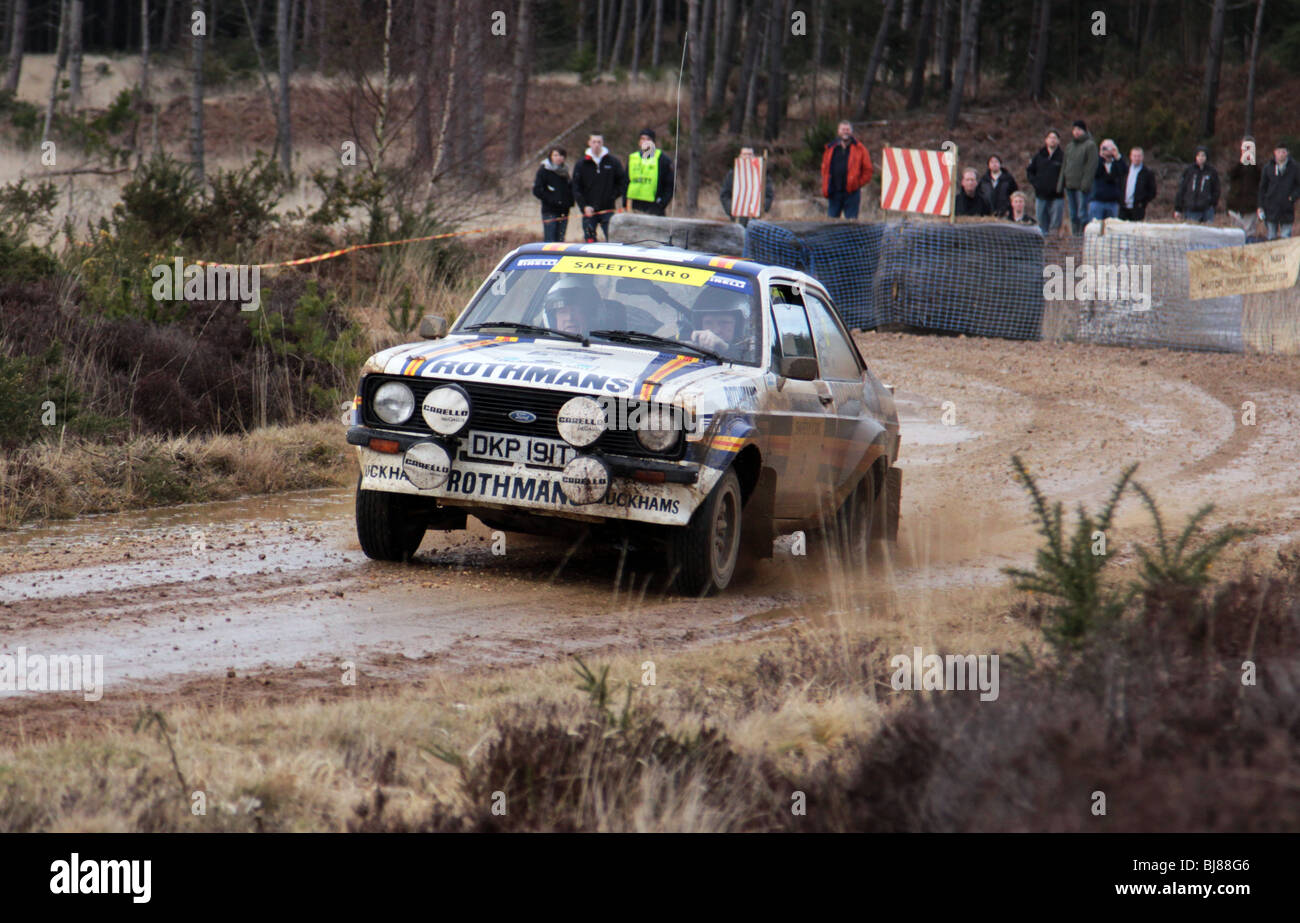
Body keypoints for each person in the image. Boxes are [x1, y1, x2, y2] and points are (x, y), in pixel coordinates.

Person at [572, 131, 627, 242]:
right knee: (590, 240)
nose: (596, 144)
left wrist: (612, 196)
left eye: (599, 142)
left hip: (608, 210)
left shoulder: (613, 162)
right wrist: (584, 206)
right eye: (594, 142)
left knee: (612, 239)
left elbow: (622, 182)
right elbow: (576, 187)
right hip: (589, 211)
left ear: (602, 143)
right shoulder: (581, 164)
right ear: (589, 143)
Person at [820, 120, 873, 219]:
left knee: (851, 225)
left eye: (848, 129)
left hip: (851, 194)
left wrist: (857, 183)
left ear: (851, 132)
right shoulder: (830, 148)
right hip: (834, 192)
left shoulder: (860, 149)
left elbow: (868, 170)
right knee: (830, 224)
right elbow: (824, 169)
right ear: (838, 131)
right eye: (843, 129)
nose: (845, 132)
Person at [688, 287, 756, 362]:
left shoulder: (754, 352)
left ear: (738, 326)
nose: (716, 330)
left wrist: (725, 348)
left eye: (724, 323)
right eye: (708, 323)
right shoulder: (686, 347)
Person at [1060, 120, 1099, 235]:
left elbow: (1091, 166)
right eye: (1075, 129)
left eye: (1079, 130)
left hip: (1082, 186)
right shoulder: (1070, 146)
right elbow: (1065, 165)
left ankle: (1084, 235)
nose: (1076, 132)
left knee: (1082, 214)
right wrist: (1062, 183)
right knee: (1073, 214)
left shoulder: (1090, 145)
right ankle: (1075, 236)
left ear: (1084, 131)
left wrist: (1085, 184)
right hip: (1070, 185)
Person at [720, 146, 775, 226]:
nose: (747, 157)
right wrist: (732, 210)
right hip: (738, 217)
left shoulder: (762, 174)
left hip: (756, 218)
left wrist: (760, 210)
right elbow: (725, 195)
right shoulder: (732, 174)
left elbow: (768, 195)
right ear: (740, 156)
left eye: (750, 154)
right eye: (745, 154)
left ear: (753, 156)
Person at [625, 128, 674, 216]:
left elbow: (670, 185)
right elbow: (625, 182)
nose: (645, 142)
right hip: (635, 205)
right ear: (639, 142)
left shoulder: (662, 159)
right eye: (643, 139)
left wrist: (662, 204)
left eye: (648, 139)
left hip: (654, 205)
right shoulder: (632, 158)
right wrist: (625, 203)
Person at [531, 146, 574, 242]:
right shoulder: (544, 171)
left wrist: (569, 202)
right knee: (550, 240)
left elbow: (570, 190)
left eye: (561, 155)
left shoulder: (565, 172)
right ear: (550, 156)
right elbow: (537, 190)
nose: (558, 157)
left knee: (560, 240)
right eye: (555, 155)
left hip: (564, 211)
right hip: (549, 211)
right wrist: (552, 199)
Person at [1026, 130, 1065, 235]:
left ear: (1058, 141)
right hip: (1041, 195)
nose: (1052, 140)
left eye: (1055, 138)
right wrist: (1036, 184)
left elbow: (1068, 174)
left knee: (1056, 225)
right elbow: (1030, 171)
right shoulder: (1039, 156)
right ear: (1046, 140)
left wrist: (1062, 186)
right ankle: (1042, 243)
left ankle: (1054, 244)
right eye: (1050, 137)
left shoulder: (1063, 157)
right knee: (1041, 224)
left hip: (1057, 196)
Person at [1258, 142, 1300, 240]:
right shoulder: (1268, 167)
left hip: (1287, 208)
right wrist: (1260, 205)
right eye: (1279, 152)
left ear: (1287, 153)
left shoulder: (1294, 167)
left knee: (1286, 238)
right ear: (1275, 153)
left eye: (1283, 152)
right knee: (1271, 237)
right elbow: (1262, 188)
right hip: (1271, 208)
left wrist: (1293, 196)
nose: (1281, 154)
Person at [1226, 137, 1262, 241]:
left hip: (1250, 206)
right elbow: (1230, 175)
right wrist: (1241, 161)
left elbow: (1262, 179)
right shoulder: (1235, 161)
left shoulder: (1257, 165)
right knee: (1235, 234)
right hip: (1235, 206)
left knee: (1249, 235)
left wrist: (1253, 162)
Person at [1174, 145, 1220, 223]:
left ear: (1206, 157)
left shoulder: (1212, 172)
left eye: (1203, 155)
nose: (1201, 158)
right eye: (1198, 155)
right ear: (1195, 157)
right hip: (1191, 209)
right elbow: (1182, 189)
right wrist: (1178, 208)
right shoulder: (1189, 171)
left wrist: (1212, 203)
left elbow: (1216, 190)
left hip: (1207, 210)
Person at [1088, 139, 1127, 221]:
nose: (1107, 151)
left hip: (1112, 202)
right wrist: (1101, 157)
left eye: (1110, 148)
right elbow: (1095, 172)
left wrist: (1118, 157)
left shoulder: (1117, 163)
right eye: (1105, 148)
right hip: (1097, 201)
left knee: (1111, 228)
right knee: (1095, 228)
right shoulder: (1096, 161)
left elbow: (1124, 171)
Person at [1119, 146, 1157, 221]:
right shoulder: (1125, 171)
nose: (1136, 158)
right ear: (1130, 157)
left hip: (1138, 209)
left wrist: (1142, 203)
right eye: (1134, 156)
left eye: (1139, 156)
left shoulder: (1147, 173)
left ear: (1142, 157)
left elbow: (1152, 191)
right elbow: (1119, 185)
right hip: (1123, 208)